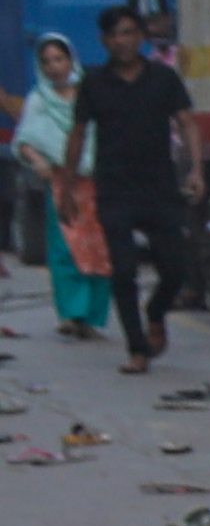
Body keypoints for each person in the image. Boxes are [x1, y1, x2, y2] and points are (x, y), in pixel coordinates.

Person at [70, 4, 191, 369]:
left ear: (141, 36)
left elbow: (187, 123)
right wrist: (68, 186)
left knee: (176, 268)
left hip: (159, 187)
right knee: (123, 271)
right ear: (103, 41)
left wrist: (196, 170)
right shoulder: (93, 82)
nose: (121, 41)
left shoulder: (164, 78)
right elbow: (78, 134)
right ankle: (137, 348)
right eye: (113, 35)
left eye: (127, 33)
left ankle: (156, 310)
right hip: (114, 189)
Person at [22, 31, 109, 341]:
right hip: (63, 184)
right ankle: (72, 314)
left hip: (97, 181)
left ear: (71, 60)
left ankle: (92, 317)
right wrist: (39, 161)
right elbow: (25, 140)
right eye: (47, 62)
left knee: (99, 248)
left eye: (59, 59)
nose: (54, 67)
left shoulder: (91, 94)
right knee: (65, 248)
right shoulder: (38, 100)